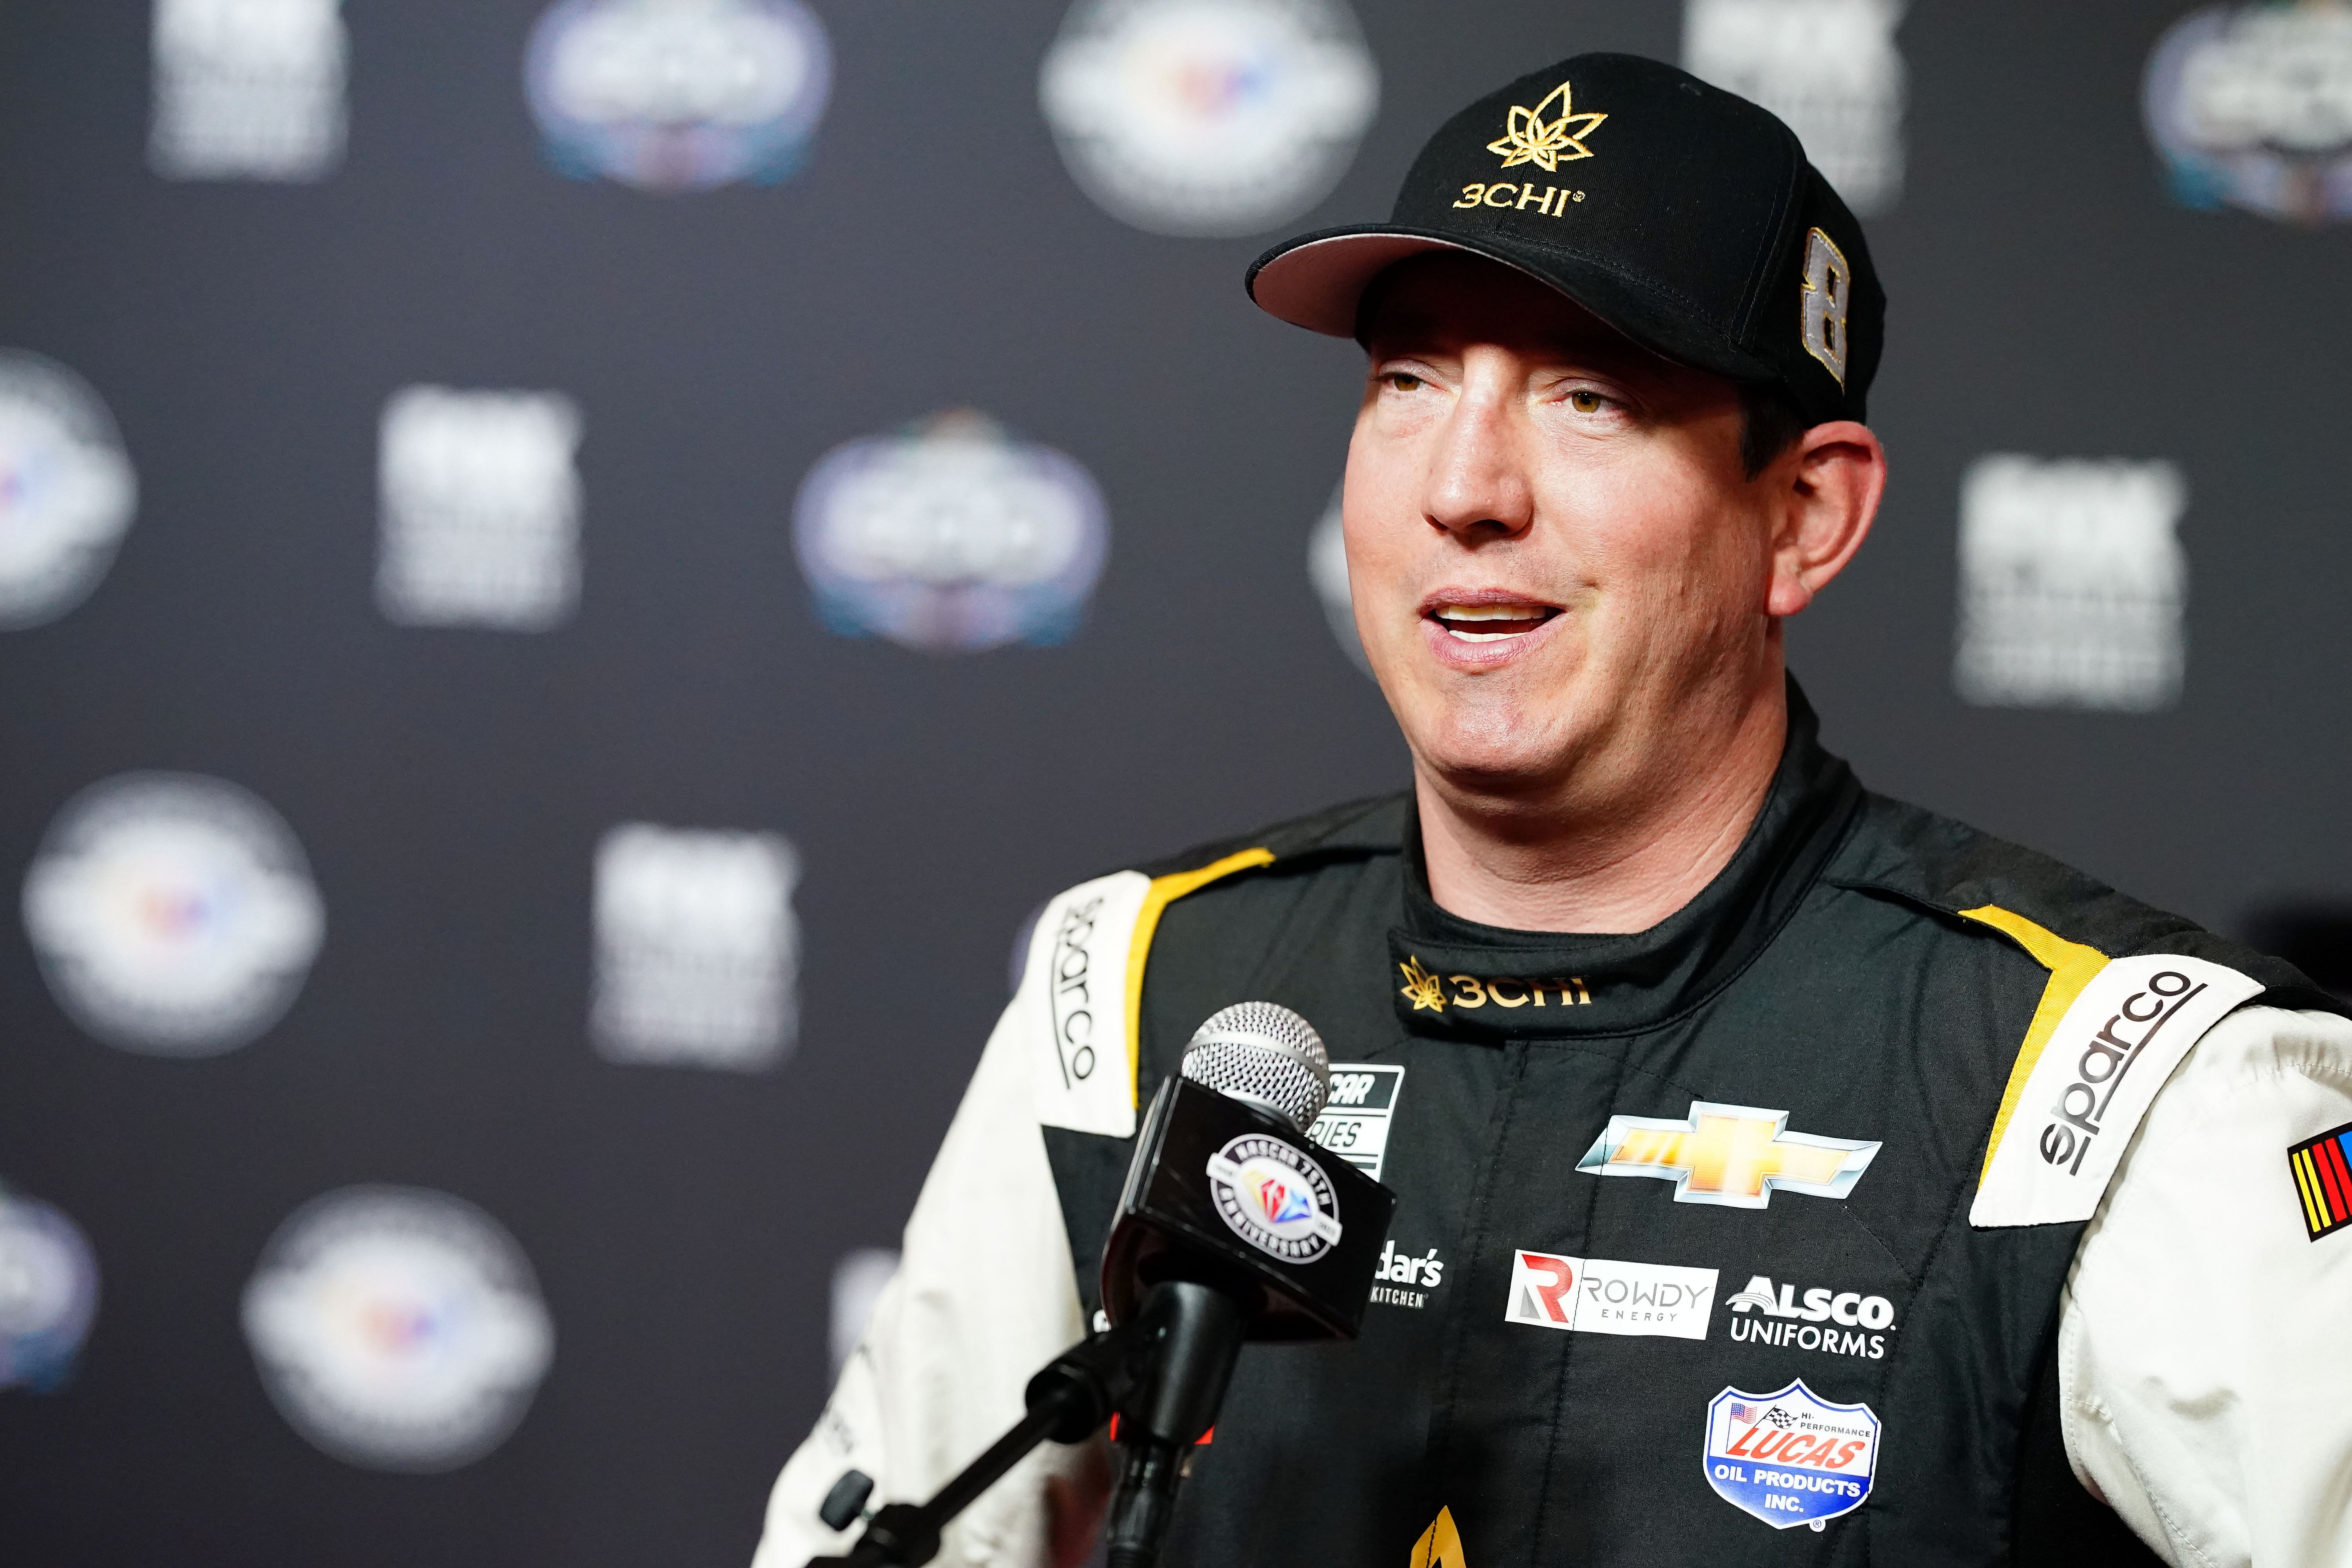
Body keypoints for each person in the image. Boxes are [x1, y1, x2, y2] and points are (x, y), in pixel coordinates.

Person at [751, 52, 2352, 1568]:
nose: (1467, 485)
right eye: (1412, 380)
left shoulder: (2131, 1082)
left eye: (1588, 396)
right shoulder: (1136, 984)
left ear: (1802, 515)